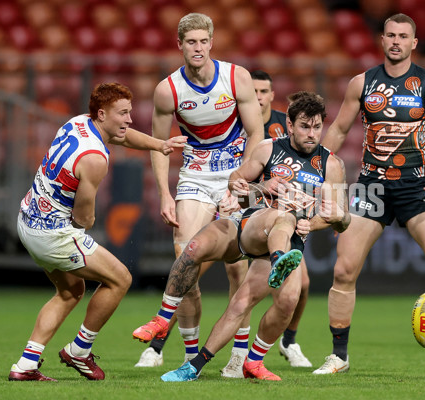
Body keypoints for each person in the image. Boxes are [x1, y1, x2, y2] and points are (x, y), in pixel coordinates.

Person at [313, 13, 425, 376]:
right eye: (390, 35)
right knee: (344, 270)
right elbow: (337, 131)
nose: (396, 41)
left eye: (404, 36)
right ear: (382, 40)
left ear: (414, 43)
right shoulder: (361, 83)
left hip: (415, 185)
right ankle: (339, 357)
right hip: (372, 187)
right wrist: (317, 176)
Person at [134, 91, 350, 382]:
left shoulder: (331, 166)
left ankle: (231, 364)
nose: (311, 134)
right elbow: (236, 182)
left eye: (316, 127)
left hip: (288, 241)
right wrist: (263, 188)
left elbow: (341, 220)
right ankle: (162, 318)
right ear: (289, 124)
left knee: (275, 303)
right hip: (248, 226)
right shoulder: (268, 149)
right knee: (194, 247)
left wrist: (326, 221)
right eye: (304, 126)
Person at [8, 83, 186, 381]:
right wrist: (86, 226)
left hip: (27, 220)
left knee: (69, 292)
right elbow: (83, 215)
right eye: (123, 113)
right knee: (120, 278)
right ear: (102, 114)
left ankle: (25, 365)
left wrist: (158, 144)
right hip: (54, 234)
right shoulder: (94, 159)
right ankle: (79, 350)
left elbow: (122, 135)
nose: (130, 119)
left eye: (130, 111)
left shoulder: (78, 121)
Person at [133, 12, 264, 378]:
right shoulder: (167, 90)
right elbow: (160, 146)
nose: (197, 48)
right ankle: (190, 356)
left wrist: (241, 183)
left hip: (236, 173)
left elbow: (256, 133)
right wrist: (163, 193)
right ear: (180, 45)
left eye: (203, 41)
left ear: (211, 42)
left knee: (238, 267)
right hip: (195, 174)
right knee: (184, 257)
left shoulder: (236, 77)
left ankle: (239, 356)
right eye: (190, 42)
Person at [251, 69, 312, 367]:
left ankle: (288, 340)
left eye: (263, 91)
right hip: (248, 208)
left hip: (282, 212)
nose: (258, 96)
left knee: (304, 284)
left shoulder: (285, 126)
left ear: (272, 95)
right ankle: (159, 345)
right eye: (252, 91)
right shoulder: (237, 124)